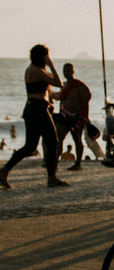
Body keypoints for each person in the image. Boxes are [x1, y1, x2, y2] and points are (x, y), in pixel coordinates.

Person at [0, 44, 69, 189]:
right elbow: (58, 83)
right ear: (42, 57)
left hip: (33, 109)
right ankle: (51, 178)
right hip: (38, 110)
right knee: (52, 142)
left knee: (30, 146)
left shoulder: (34, 70)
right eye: (46, 56)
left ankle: (4, 171)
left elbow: (48, 92)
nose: (48, 58)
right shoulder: (36, 70)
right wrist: (51, 65)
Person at [54, 62, 95, 171]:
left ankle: (78, 164)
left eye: (68, 71)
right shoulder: (64, 86)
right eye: (64, 71)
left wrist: (85, 118)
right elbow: (61, 99)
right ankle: (55, 162)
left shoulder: (79, 86)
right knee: (58, 139)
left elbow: (85, 103)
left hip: (76, 117)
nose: (66, 73)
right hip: (64, 116)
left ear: (73, 72)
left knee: (77, 140)